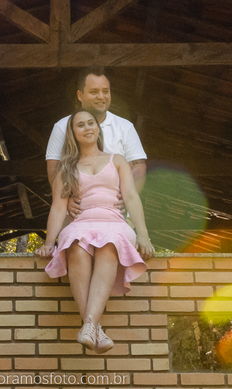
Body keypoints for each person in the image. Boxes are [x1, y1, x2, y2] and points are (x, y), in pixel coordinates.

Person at [36, 109, 154, 354]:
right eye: (81, 125)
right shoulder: (66, 167)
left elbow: (131, 197)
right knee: (74, 243)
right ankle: (93, 327)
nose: (88, 127)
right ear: (73, 133)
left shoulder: (117, 160)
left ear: (98, 128)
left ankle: (89, 325)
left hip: (114, 221)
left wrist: (143, 234)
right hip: (81, 222)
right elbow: (59, 208)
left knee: (111, 242)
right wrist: (49, 242)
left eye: (91, 123)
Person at [46, 68, 147, 213]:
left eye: (105, 91)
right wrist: (64, 200)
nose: (101, 96)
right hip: (76, 215)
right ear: (80, 95)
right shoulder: (62, 127)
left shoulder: (125, 127)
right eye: (94, 92)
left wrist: (128, 197)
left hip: (116, 214)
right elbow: (54, 167)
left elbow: (138, 167)